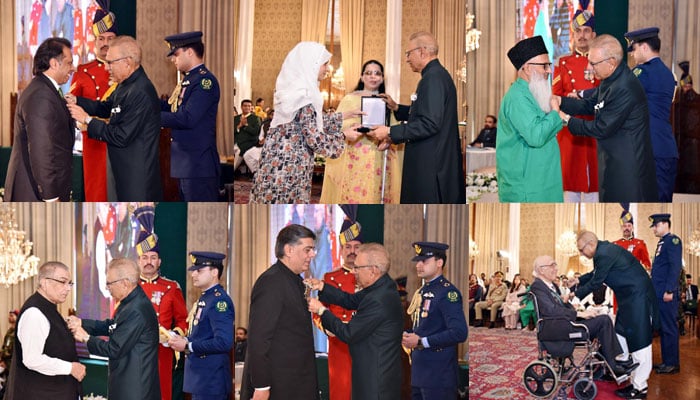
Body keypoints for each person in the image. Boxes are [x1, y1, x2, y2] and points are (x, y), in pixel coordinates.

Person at [250, 42, 361, 203]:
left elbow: (308, 122)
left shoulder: (294, 91)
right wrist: (343, 136)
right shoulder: (305, 96)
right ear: (312, 64)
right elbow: (315, 139)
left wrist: (345, 115)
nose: (327, 69)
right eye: (325, 64)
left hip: (276, 162)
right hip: (289, 168)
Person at [555, 34, 658, 202]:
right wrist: (561, 101)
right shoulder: (610, 79)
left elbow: (601, 127)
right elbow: (590, 104)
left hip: (628, 172)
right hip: (612, 164)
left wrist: (566, 119)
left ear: (611, 63)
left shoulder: (624, 87)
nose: (589, 68)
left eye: (593, 63)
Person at [368, 31, 465, 204]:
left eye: (408, 53)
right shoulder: (434, 75)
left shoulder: (433, 78)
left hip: (430, 165)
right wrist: (397, 107)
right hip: (432, 159)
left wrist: (390, 131)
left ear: (422, 52)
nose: (407, 59)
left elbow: (430, 123)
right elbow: (425, 114)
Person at [67, 35, 162, 201]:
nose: (106, 68)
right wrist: (77, 100)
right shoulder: (126, 85)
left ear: (127, 62)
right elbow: (105, 108)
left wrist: (87, 120)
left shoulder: (140, 91)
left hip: (137, 181)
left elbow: (121, 136)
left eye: (110, 63)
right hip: (124, 173)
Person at [307, 243, 403, 400]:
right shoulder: (381, 286)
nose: (354, 272)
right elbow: (349, 300)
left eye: (358, 268)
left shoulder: (379, 299)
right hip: (374, 374)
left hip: (376, 382)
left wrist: (321, 311)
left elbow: (348, 333)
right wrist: (322, 286)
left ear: (373, 270)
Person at [573, 231, 658, 399]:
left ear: (590, 245)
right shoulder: (602, 251)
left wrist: (575, 297)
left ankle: (640, 388)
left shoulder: (604, 253)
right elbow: (594, 275)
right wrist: (577, 281)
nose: (581, 254)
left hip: (638, 297)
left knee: (640, 343)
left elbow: (597, 281)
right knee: (620, 334)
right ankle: (629, 379)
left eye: (582, 250)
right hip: (628, 299)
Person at [240, 224, 320, 400]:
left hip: (295, 382)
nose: (312, 255)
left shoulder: (294, 280)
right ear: (289, 249)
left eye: (312, 250)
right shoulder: (271, 282)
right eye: (308, 250)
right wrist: (261, 386)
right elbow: (259, 339)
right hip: (278, 386)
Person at [530, 256, 637, 378]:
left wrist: (576, 309)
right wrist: (579, 314)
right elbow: (550, 310)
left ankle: (607, 361)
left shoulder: (552, 286)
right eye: (552, 265)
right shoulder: (537, 286)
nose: (556, 268)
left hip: (562, 323)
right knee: (604, 321)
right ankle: (612, 365)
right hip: (555, 328)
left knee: (600, 319)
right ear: (541, 270)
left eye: (555, 265)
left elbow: (561, 306)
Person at [68, 258, 160, 400]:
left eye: (109, 283)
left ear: (124, 283)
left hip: (135, 390)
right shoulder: (130, 301)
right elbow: (112, 326)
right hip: (127, 383)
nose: (107, 288)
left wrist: (86, 338)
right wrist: (82, 323)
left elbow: (114, 349)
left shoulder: (136, 309)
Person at [321, 60, 404, 203]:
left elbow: (393, 126)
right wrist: (357, 127)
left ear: (382, 78)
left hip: (379, 152)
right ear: (362, 77)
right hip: (355, 154)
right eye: (369, 73)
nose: (373, 77)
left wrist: (386, 136)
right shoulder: (350, 98)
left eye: (377, 73)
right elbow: (337, 125)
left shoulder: (386, 100)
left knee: (376, 193)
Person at [4, 37, 75, 202]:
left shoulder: (46, 90)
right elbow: (41, 149)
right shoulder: (41, 95)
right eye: (69, 63)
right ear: (54, 63)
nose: (73, 68)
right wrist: (51, 197)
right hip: (34, 193)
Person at [497, 35, 564, 202]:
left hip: (544, 181)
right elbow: (536, 136)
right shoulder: (518, 97)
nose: (549, 71)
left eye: (549, 65)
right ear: (527, 68)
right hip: (527, 186)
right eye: (544, 66)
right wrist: (555, 113)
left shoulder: (533, 93)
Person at [5, 262, 85, 400]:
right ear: (44, 282)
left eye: (70, 283)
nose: (67, 288)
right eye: (62, 282)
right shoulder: (34, 313)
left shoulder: (49, 308)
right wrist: (70, 368)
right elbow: (32, 359)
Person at [134, 206, 189, 400]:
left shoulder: (171, 288)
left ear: (159, 262)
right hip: (135, 352)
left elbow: (183, 321)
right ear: (138, 261)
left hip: (162, 354)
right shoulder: (129, 288)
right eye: (145, 257)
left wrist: (173, 335)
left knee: (162, 394)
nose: (149, 261)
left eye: (153, 257)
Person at [402, 242, 467, 399]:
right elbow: (424, 327)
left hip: (439, 375)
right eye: (418, 261)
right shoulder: (423, 291)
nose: (418, 265)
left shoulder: (448, 293)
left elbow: (459, 332)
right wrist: (408, 335)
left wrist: (421, 342)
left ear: (439, 263)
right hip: (419, 371)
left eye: (424, 261)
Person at [161, 31, 221, 201]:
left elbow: (187, 118)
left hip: (198, 167)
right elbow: (172, 108)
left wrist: (152, 117)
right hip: (186, 165)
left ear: (189, 52)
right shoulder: (189, 80)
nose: (173, 59)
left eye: (176, 54)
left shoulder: (204, 82)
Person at [168, 252, 234, 400]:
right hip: (202, 380)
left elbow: (224, 342)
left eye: (199, 270)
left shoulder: (219, 302)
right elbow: (202, 334)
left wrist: (188, 345)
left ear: (214, 272)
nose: (193, 274)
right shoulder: (207, 298)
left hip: (211, 381)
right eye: (194, 270)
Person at [625, 27, 678, 202]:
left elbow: (617, 94)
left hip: (648, 151)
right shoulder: (669, 75)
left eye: (633, 49)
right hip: (666, 149)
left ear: (644, 47)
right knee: (662, 202)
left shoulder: (642, 72)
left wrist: (582, 95)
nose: (632, 54)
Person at [552, 9, 600, 202]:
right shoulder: (563, 63)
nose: (582, 36)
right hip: (570, 132)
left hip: (595, 130)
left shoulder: (602, 62)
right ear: (573, 34)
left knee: (594, 186)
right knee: (569, 186)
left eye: (586, 31)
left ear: (593, 35)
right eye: (578, 31)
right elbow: (555, 97)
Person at [69, 8, 117, 201]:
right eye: (101, 39)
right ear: (95, 41)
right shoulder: (82, 71)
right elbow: (70, 103)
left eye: (110, 38)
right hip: (94, 141)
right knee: (96, 193)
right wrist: (82, 123)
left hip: (120, 140)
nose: (105, 44)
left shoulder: (126, 69)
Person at [314, 215, 362, 400]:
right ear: (341, 250)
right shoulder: (330, 279)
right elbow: (318, 312)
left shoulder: (371, 278)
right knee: (341, 392)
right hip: (339, 345)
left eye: (357, 247)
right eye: (347, 247)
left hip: (364, 344)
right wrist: (327, 328)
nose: (352, 251)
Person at [648, 213, 682, 375]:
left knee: (669, 328)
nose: (654, 229)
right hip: (659, 294)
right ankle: (666, 361)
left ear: (663, 224)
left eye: (655, 225)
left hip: (666, 294)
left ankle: (673, 364)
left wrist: (669, 290)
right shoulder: (662, 242)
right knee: (664, 329)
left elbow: (675, 267)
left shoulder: (673, 241)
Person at [242, 109, 274, 175]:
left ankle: (264, 174)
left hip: (273, 147)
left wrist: (267, 140)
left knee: (263, 158)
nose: (273, 117)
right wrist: (261, 140)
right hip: (262, 146)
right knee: (247, 155)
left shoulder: (279, 125)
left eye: (274, 115)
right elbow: (261, 136)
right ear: (269, 116)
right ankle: (255, 172)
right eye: (271, 115)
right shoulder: (265, 125)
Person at [234, 99, 262, 171]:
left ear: (251, 107)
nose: (247, 108)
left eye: (249, 106)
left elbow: (256, 132)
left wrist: (246, 125)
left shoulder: (256, 118)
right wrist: (238, 127)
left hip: (249, 143)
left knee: (239, 152)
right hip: (235, 142)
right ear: (241, 107)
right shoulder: (236, 118)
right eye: (245, 106)